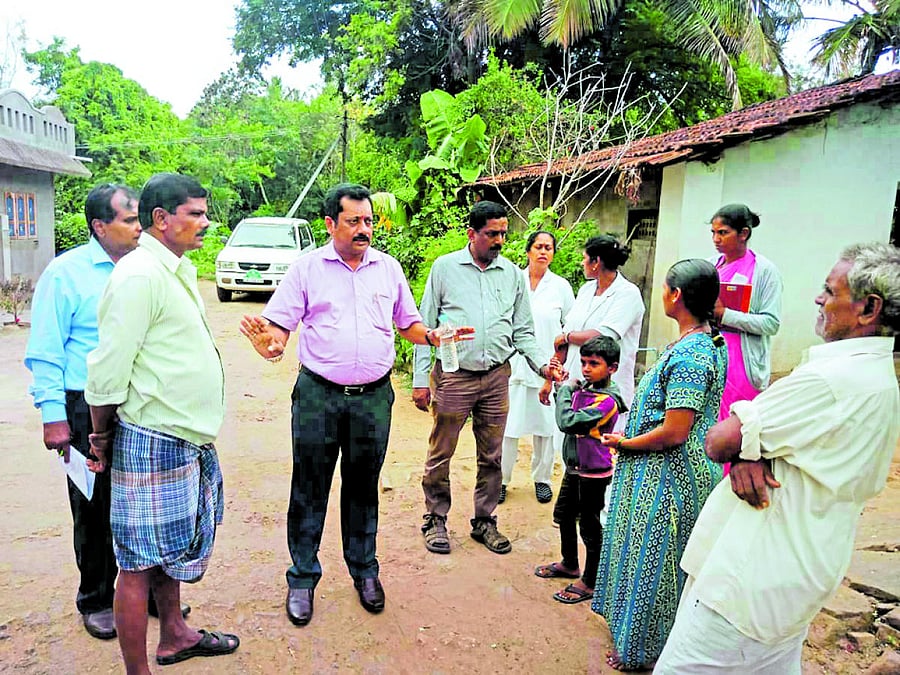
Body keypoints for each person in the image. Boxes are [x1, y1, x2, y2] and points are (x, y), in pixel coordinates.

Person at [655, 243, 900, 673]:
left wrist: (745, 447)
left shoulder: (832, 380)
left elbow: (720, 440)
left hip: (749, 583)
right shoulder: (877, 378)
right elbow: (755, 441)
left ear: (868, 309)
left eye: (830, 290)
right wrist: (752, 451)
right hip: (798, 574)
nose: (818, 299)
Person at [240, 183, 466, 628]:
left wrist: (433, 336)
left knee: (363, 487)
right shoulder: (306, 269)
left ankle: (365, 571)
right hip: (317, 397)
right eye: (354, 222)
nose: (364, 229)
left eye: (367, 221)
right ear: (330, 224)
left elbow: (409, 323)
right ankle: (302, 577)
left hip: (373, 400)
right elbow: (279, 329)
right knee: (309, 487)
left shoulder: (388, 268)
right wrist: (271, 345)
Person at [85, 173, 238, 673]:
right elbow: (107, 373)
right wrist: (101, 437)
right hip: (151, 439)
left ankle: (174, 635)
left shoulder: (176, 268)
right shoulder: (137, 276)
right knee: (137, 563)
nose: (205, 222)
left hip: (184, 439)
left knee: (167, 550)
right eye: (195, 213)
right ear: (161, 219)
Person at [593, 259, 727, 671]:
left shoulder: (693, 354)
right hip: (664, 473)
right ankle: (643, 640)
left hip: (670, 478)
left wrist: (625, 442)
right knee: (652, 560)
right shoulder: (700, 342)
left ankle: (643, 653)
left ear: (676, 296)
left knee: (657, 565)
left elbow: (675, 430)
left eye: (666, 287)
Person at [24, 184, 141, 640]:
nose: (138, 228)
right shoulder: (66, 274)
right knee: (92, 505)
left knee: (139, 501)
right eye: (129, 220)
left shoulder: (142, 267)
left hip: (138, 404)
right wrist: (53, 415)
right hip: (82, 405)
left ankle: (143, 592)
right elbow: (46, 350)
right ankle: (95, 598)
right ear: (99, 226)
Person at [413, 200, 555, 556]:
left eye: (504, 233)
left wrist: (543, 366)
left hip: (496, 378)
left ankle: (485, 520)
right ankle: (435, 519)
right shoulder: (445, 268)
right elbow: (423, 326)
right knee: (441, 452)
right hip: (454, 376)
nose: (500, 240)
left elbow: (523, 331)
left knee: (491, 455)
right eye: (492, 234)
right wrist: (419, 379)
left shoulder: (511, 275)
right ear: (472, 234)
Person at [533, 336, 626, 605]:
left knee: (589, 525)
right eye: (584, 362)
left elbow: (567, 421)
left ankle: (590, 581)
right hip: (575, 466)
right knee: (563, 515)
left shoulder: (607, 401)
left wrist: (564, 390)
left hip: (594, 471)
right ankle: (570, 563)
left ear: (612, 368)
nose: (586, 368)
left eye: (594, 364)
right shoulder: (585, 388)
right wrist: (562, 384)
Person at [501, 230, 574, 505]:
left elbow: (569, 327)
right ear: (528, 250)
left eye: (549, 248)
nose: (544, 252)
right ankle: (502, 480)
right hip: (514, 366)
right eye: (539, 247)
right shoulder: (512, 281)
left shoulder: (561, 287)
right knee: (508, 427)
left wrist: (559, 363)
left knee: (545, 429)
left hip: (547, 368)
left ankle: (541, 479)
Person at [540, 234, 644, 425]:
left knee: (600, 447)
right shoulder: (586, 290)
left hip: (606, 388)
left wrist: (567, 336)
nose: (582, 263)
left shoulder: (628, 294)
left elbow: (604, 335)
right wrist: (549, 378)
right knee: (571, 446)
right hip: (574, 380)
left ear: (596, 262)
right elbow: (564, 340)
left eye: (585, 258)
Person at [707, 204, 782, 422]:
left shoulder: (764, 271)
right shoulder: (710, 267)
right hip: (711, 354)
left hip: (742, 362)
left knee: (735, 425)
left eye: (723, 232)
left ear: (744, 234)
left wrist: (725, 315)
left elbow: (771, 324)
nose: (716, 239)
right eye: (713, 233)